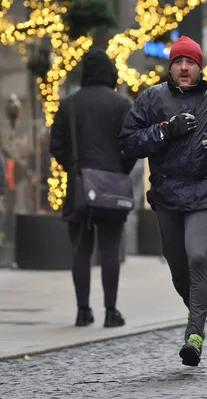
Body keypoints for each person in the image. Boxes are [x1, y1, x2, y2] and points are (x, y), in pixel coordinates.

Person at [119, 36, 207, 367]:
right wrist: (165, 130)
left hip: (204, 192)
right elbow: (129, 142)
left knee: (196, 258)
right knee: (178, 267)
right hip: (166, 194)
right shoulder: (151, 98)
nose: (184, 67)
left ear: (200, 67)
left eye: (190, 62)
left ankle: (195, 333)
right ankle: (197, 308)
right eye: (178, 62)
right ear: (170, 67)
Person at [49, 48, 136, 328]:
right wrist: (120, 169)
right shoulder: (121, 104)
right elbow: (132, 145)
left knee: (81, 249)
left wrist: (75, 168)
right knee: (110, 249)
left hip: (79, 186)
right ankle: (111, 311)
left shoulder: (68, 104)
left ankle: (82, 311)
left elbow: (56, 147)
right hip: (112, 185)